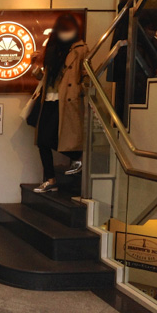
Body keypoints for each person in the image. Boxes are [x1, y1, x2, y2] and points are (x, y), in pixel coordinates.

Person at [33, 14, 88, 193]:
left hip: (66, 100)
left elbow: (87, 75)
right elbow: (45, 77)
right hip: (48, 99)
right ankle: (51, 179)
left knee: (54, 138)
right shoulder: (52, 47)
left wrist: (79, 90)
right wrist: (36, 65)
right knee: (42, 141)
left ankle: (77, 157)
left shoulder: (80, 49)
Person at [109, 0, 141, 122]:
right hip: (125, 57)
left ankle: (121, 127)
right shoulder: (127, 4)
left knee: (126, 100)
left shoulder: (137, 4)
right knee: (122, 98)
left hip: (130, 58)